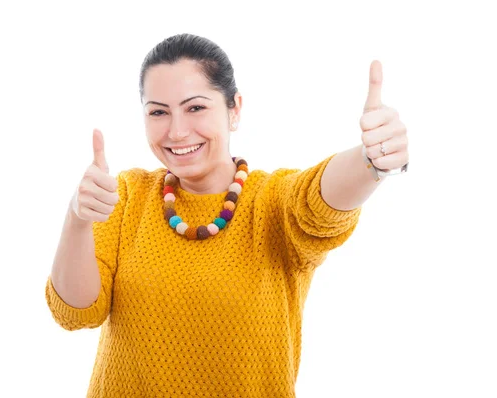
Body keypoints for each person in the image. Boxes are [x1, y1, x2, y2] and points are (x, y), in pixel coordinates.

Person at [44, 33, 409, 397]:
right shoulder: (125, 196)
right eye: (158, 112)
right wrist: (77, 218)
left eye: (195, 108)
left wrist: (368, 161)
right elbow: (77, 312)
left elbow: (318, 203)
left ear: (234, 109)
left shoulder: (272, 201)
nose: (176, 131)